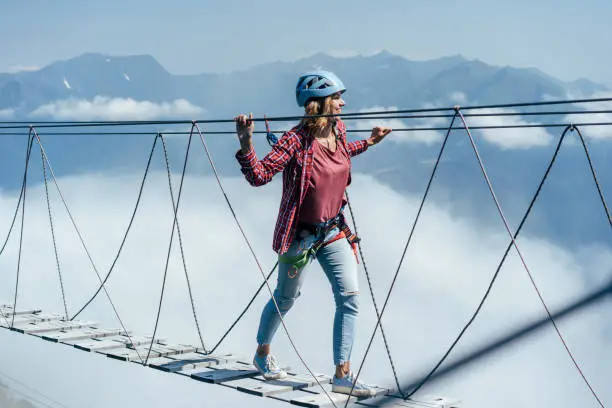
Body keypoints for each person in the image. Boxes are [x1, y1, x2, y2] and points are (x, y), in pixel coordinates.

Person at [234, 70, 392, 397]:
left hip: (332, 230)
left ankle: (342, 374)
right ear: (318, 104)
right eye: (336, 98)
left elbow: (341, 155)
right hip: (300, 237)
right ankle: (262, 353)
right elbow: (259, 175)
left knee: (349, 299)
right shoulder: (295, 141)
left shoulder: (339, 129)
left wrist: (371, 143)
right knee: (286, 297)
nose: (342, 102)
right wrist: (246, 142)